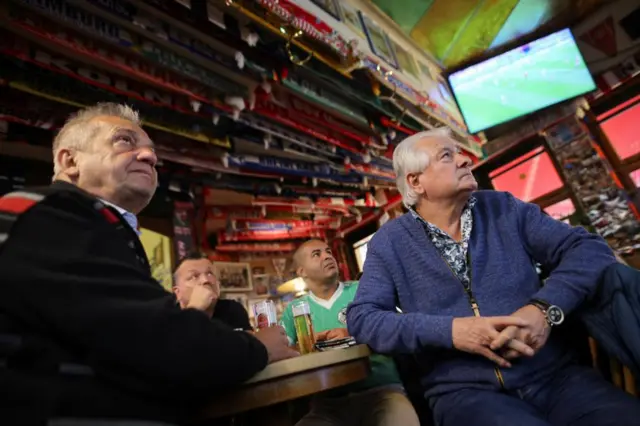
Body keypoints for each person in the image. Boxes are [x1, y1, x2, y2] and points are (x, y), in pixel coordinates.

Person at [0, 103, 296, 424]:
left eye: (152, 152)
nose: (149, 157)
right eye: (124, 141)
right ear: (70, 161)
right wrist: (258, 347)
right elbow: (163, 345)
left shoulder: (100, 227)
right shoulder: (51, 213)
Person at [346, 128, 640, 426]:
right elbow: (363, 319)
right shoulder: (389, 242)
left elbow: (589, 248)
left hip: (556, 377)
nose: (464, 160)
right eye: (447, 155)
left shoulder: (503, 207)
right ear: (415, 181)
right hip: (467, 396)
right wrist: (451, 331)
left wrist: (545, 309)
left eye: (460, 153)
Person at [281, 239, 419, 426]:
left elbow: (395, 329)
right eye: (317, 254)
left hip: (381, 391)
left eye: (328, 251)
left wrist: (354, 332)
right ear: (301, 271)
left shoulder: (363, 290)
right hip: (327, 403)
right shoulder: (295, 309)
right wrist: (303, 346)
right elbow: (280, 350)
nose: (328, 256)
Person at [173, 252, 253, 331]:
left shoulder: (232, 309)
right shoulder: (167, 319)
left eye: (209, 273)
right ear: (178, 293)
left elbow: (249, 342)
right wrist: (194, 310)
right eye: (194, 276)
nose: (206, 280)